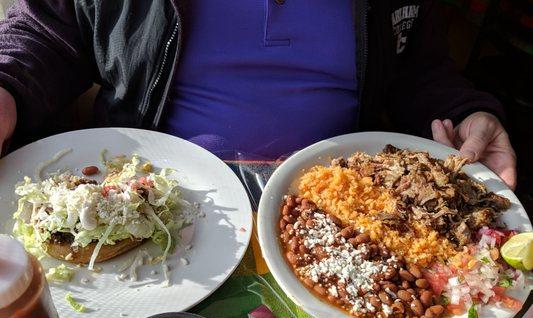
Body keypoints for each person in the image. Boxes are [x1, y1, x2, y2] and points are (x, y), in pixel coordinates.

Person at [0, 0, 516, 188]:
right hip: (152, 197)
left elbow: (420, 72)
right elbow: (44, 33)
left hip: (343, 205)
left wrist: (464, 111)